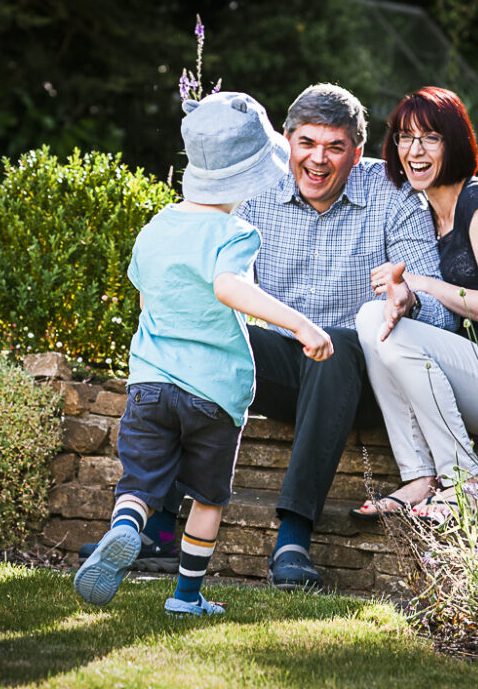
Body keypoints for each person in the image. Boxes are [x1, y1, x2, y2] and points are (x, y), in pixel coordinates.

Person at [81, 83, 456, 590]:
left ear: (358, 150)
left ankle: (293, 541)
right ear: (286, 140)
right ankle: (159, 531)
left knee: (341, 343)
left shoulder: (394, 197)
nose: (318, 160)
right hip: (277, 362)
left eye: (334, 147)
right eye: (306, 143)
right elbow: (205, 271)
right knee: (202, 337)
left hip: (357, 375)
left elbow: (441, 315)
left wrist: (407, 298)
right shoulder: (251, 187)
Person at [73, 91, 334, 616]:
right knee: (208, 499)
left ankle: (126, 526)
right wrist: (301, 325)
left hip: (150, 386)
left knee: (140, 485)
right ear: (247, 178)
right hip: (212, 392)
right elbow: (227, 287)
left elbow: (149, 299)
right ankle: (186, 598)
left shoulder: (155, 228)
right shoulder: (234, 232)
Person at [350, 86, 478, 523]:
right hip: (472, 379)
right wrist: (404, 297)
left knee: (386, 326)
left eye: (430, 138)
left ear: (454, 142)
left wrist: (422, 283)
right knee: (373, 318)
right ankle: (420, 477)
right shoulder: (425, 213)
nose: (414, 150)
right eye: (405, 138)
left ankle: (464, 481)